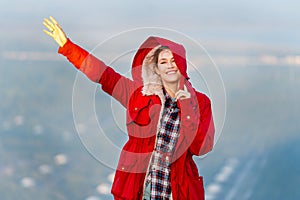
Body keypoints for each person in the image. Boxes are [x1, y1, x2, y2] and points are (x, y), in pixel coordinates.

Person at [43, 16, 215, 200]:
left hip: (177, 192)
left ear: (182, 64)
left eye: (173, 61)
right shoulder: (139, 94)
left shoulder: (200, 103)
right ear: (155, 68)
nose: (169, 66)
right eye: (163, 62)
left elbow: (202, 148)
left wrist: (187, 107)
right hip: (139, 189)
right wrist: (68, 47)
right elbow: (104, 75)